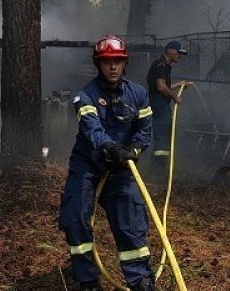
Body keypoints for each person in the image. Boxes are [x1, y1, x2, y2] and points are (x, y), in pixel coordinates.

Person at [59, 35, 156, 291]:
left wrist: (132, 151)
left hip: (121, 168)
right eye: (106, 62)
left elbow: (144, 130)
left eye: (117, 61)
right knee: (75, 218)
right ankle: (88, 281)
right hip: (88, 166)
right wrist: (110, 147)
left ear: (125, 64)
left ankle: (141, 282)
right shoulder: (85, 97)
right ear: (97, 64)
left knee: (131, 224)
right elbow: (92, 129)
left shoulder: (139, 95)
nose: (112, 66)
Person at [146, 39, 188, 177]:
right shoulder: (161, 65)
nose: (180, 56)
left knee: (164, 135)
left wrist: (179, 84)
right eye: (178, 52)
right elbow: (160, 87)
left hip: (159, 102)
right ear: (170, 50)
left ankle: (159, 167)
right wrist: (175, 97)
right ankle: (158, 170)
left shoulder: (164, 65)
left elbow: (164, 86)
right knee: (162, 136)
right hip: (159, 104)